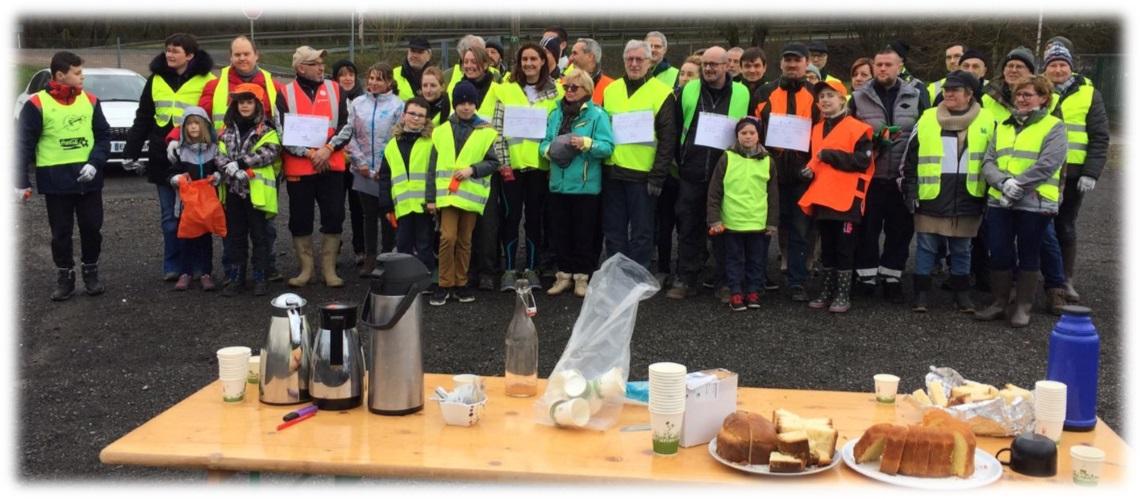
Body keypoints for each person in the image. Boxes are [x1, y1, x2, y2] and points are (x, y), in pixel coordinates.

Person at [17, 50, 110, 301]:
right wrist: (20, 181)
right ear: (60, 75)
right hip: (56, 182)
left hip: (88, 181)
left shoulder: (90, 101)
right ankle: (65, 277)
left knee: (92, 228)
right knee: (61, 232)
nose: (83, 77)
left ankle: (90, 271)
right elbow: (23, 145)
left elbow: (103, 137)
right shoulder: (36, 104)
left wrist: (95, 163)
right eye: (77, 73)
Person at [123, 33, 216, 282]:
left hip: (196, 155)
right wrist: (130, 150)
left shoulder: (208, 80)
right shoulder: (155, 80)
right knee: (170, 217)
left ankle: (201, 268)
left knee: (197, 214)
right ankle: (173, 266)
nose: (170, 55)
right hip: (161, 156)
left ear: (190, 55)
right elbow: (143, 116)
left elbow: (213, 118)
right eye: (167, 50)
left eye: (175, 51)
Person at [976, 76, 1067, 328]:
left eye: (1029, 94)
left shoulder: (1054, 126)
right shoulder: (1003, 126)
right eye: (1019, 95)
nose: (1022, 99)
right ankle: (999, 302)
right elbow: (988, 162)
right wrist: (1004, 183)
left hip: (1035, 202)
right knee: (999, 251)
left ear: (1043, 98)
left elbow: (1049, 163)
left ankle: (1022, 307)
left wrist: (1019, 184)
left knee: (1029, 252)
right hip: (1000, 200)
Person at [900, 71, 994, 313]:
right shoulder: (928, 117)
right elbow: (909, 160)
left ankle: (962, 294)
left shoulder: (987, 120)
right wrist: (910, 191)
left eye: (955, 90)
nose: (948, 93)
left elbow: (995, 161)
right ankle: (921, 294)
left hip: (968, 197)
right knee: (926, 248)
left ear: (970, 94)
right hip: (932, 195)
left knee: (962, 249)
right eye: (946, 89)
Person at [196, 35, 285, 282]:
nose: (242, 58)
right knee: (232, 225)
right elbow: (198, 118)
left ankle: (266, 269)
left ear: (257, 55)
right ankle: (232, 273)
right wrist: (175, 138)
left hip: (264, 171)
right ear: (230, 57)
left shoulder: (272, 85)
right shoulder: (216, 85)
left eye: (246, 53)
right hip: (227, 168)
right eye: (237, 54)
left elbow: (285, 123)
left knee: (264, 225)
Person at [667, 46, 750, 300]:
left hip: (727, 173)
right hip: (691, 171)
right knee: (689, 226)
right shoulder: (688, 90)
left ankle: (726, 281)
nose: (709, 69)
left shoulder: (742, 92)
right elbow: (676, 125)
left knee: (724, 227)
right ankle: (686, 278)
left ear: (727, 66)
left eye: (715, 64)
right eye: (705, 64)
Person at [849, 43, 928, 303]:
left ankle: (892, 277)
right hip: (870, 176)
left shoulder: (917, 95)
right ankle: (866, 277)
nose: (882, 69)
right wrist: (871, 141)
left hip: (901, 178)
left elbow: (925, 134)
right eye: (878, 65)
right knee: (867, 231)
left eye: (888, 64)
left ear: (900, 66)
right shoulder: (858, 97)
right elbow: (848, 135)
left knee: (900, 231)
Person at [489, 42, 563, 291]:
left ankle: (531, 268)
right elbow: (496, 131)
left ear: (543, 62)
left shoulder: (557, 93)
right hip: (513, 168)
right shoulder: (505, 90)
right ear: (519, 63)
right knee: (510, 218)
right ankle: (510, 269)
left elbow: (558, 128)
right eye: (524, 59)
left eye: (534, 59)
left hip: (541, 168)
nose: (529, 63)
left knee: (535, 219)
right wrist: (503, 163)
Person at [279, 46, 354, 288]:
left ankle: (329, 270)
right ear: (301, 68)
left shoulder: (336, 90)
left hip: (330, 165)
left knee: (334, 216)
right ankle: (306, 270)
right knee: (300, 219)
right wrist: (310, 154)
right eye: (314, 63)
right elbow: (281, 131)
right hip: (300, 169)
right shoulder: (285, 93)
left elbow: (348, 124)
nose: (321, 67)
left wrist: (327, 150)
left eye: (322, 62)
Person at [1041, 43, 1110, 308]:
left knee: (1065, 225)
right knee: (1039, 226)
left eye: (1062, 65)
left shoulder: (1090, 94)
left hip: (1073, 174)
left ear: (1071, 67)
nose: (1058, 70)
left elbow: (1099, 136)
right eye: (1052, 65)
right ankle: (1039, 277)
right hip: (1046, 172)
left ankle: (1065, 279)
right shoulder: (1039, 92)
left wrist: (1091, 172)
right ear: (1045, 69)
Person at [798, 80, 874, 313]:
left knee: (844, 248)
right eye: (821, 97)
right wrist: (809, 169)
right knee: (828, 247)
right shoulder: (817, 128)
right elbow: (817, 159)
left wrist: (830, 155)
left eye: (831, 95)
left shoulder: (858, 128)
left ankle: (843, 294)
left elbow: (863, 161)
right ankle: (827, 290)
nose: (825, 100)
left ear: (843, 99)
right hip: (823, 197)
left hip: (846, 199)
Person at [602, 39, 677, 270]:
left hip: (643, 176)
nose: (634, 64)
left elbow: (667, 139)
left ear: (649, 62)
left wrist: (658, 176)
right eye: (630, 59)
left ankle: (638, 274)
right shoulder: (611, 89)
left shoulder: (662, 93)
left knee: (642, 232)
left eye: (639, 59)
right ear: (624, 61)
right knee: (614, 229)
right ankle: (616, 272)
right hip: (612, 172)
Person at [752, 42, 819, 301]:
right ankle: (757, 278)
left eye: (797, 60)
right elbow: (752, 129)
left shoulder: (816, 93)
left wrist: (812, 166)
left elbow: (823, 134)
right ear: (780, 63)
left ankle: (797, 281)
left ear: (806, 63)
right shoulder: (764, 92)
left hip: (803, 173)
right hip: (770, 172)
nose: (792, 65)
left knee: (800, 230)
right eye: (787, 60)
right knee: (763, 227)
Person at [541, 69, 615, 297]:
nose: (569, 91)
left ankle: (582, 277)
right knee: (560, 232)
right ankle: (563, 276)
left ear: (588, 90)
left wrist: (587, 143)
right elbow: (544, 141)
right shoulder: (555, 114)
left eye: (575, 87)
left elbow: (608, 146)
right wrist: (547, 151)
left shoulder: (598, 116)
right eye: (566, 87)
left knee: (584, 233)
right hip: (558, 183)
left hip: (585, 185)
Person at [430, 81, 501, 306]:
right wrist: (430, 197)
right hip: (447, 195)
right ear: (455, 105)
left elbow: (494, 162)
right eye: (461, 103)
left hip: (470, 195)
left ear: (475, 104)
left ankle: (460, 283)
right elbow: (432, 167)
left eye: (470, 103)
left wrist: (473, 170)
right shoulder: (440, 131)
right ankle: (444, 283)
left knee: (465, 240)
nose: (466, 107)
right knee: (447, 237)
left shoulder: (486, 132)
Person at [215, 84, 282, 297]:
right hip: (234, 191)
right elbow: (219, 153)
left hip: (258, 194)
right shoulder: (226, 130)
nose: (244, 105)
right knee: (236, 236)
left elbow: (270, 152)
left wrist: (242, 164)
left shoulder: (267, 130)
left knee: (260, 236)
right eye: (241, 102)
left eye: (249, 101)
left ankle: (260, 277)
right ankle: (236, 278)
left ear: (258, 104)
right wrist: (229, 168)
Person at [706, 118, 778, 311]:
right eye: (743, 133)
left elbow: (773, 195)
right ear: (737, 135)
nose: (748, 136)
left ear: (759, 135)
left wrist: (772, 223)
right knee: (734, 259)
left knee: (756, 260)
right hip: (732, 221)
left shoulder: (768, 161)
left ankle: (753, 291)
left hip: (757, 221)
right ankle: (736, 292)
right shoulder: (727, 158)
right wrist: (714, 219)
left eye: (752, 133)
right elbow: (715, 191)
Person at [450, 45, 503, 290]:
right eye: (466, 61)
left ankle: (488, 269)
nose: (470, 65)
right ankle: (466, 269)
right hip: (460, 166)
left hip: (488, 163)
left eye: (475, 61)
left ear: (485, 63)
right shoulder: (454, 86)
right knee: (464, 221)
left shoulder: (498, 88)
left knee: (488, 221)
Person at [346, 62, 405, 276]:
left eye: (379, 79)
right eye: (371, 78)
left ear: (389, 81)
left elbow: (398, 139)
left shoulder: (398, 106)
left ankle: (386, 256)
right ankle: (370, 257)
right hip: (361, 170)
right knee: (367, 215)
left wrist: (384, 168)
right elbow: (349, 134)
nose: (373, 82)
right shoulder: (357, 103)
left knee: (387, 214)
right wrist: (359, 162)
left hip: (385, 171)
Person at [381, 97, 437, 287]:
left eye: (421, 116)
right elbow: (385, 177)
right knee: (403, 244)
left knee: (424, 243)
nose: (416, 118)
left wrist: (434, 200)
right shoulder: (392, 145)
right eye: (412, 114)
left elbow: (435, 173)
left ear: (426, 120)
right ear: (404, 116)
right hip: (402, 206)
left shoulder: (431, 143)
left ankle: (425, 280)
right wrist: (387, 204)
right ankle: (403, 281)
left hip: (423, 205)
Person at [166, 107, 221, 292]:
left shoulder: (214, 150)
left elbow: (219, 170)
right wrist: (178, 178)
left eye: (197, 123)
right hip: (186, 205)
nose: (193, 127)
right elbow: (171, 174)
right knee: (186, 238)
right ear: (184, 128)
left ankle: (206, 272)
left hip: (206, 203)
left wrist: (216, 177)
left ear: (204, 126)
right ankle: (185, 272)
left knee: (205, 238)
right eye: (189, 124)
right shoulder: (180, 151)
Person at [330, 58, 368, 267]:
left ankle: (360, 248)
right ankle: (333, 249)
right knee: (335, 208)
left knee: (358, 208)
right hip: (336, 161)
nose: (347, 78)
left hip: (356, 162)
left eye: (350, 74)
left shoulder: (364, 99)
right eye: (342, 74)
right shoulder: (330, 99)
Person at [981, 47, 1034, 125]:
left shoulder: (1040, 99)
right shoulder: (987, 98)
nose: (1013, 70)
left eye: (1019, 67)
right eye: (1010, 66)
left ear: (1030, 72)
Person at [569, 38, 613, 106]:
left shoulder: (611, 86)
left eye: (575, 53)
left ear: (590, 57)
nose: (571, 58)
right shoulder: (566, 85)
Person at [394, 37, 434, 101]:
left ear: (429, 55)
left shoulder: (437, 77)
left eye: (420, 52)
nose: (415, 55)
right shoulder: (393, 74)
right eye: (412, 51)